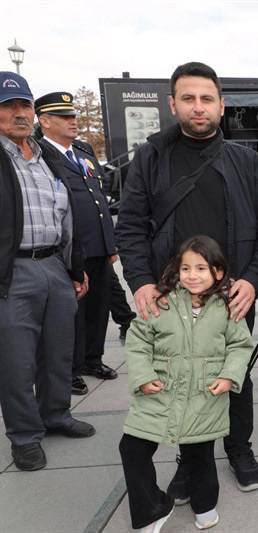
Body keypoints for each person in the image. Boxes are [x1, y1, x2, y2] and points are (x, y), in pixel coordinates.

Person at [116, 62, 258, 496]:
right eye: (188, 98)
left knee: (234, 374)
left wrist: (252, 281)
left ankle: (239, 449)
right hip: (173, 296)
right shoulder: (151, 157)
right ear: (173, 104)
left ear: (221, 105)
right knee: (181, 381)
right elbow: (130, 225)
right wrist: (141, 282)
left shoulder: (244, 161)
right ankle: (189, 462)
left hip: (230, 296)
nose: (198, 106)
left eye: (207, 98)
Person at [119, 235, 252, 532]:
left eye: (201, 268)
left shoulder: (226, 307)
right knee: (132, 448)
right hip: (159, 392)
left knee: (199, 453)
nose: (192, 275)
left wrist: (229, 375)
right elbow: (138, 340)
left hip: (204, 393)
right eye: (186, 268)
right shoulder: (161, 301)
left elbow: (240, 346)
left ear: (217, 272)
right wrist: (142, 376)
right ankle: (152, 508)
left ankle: (205, 506)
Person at [0, 72, 95, 472]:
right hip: (13, 271)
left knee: (59, 351)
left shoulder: (46, 157)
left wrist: (74, 266)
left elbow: (67, 214)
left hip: (54, 265)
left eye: (24, 105)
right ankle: (24, 436)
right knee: (17, 360)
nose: (20, 113)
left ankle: (55, 415)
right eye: (9, 106)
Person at [35, 92, 119, 396]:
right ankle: (69, 370)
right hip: (70, 251)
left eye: (73, 116)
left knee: (99, 309)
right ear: (45, 122)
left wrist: (110, 244)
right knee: (72, 314)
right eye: (64, 117)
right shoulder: (41, 156)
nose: (74, 121)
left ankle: (92, 360)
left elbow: (98, 201)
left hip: (97, 248)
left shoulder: (82, 152)